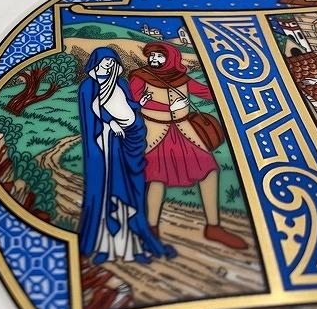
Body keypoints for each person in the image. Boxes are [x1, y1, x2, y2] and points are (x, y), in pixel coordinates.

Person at [129, 42, 248, 250]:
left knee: (209, 170)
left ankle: (213, 227)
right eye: (152, 56)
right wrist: (169, 107)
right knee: (156, 177)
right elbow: (134, 100)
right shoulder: (140, 76)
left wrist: (229, 85)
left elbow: (205, 92)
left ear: (171, 58)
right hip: (156, 131)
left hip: (184, 130)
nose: (154, 59)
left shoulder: (181, 78)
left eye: (159, 56)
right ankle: (151, 228)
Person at [78, 47, 177, 264]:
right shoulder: (88, 86)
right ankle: (106, 246)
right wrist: (110, 123)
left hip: (130, 139)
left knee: (132, 190)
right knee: (110, 189)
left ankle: (134, 246)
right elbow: (91, 112)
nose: (108, 65)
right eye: (105, 61)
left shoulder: (120, 82)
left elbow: (126, 104)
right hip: (107, 142)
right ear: (96, 62)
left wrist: (140, 103)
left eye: (112, 62)